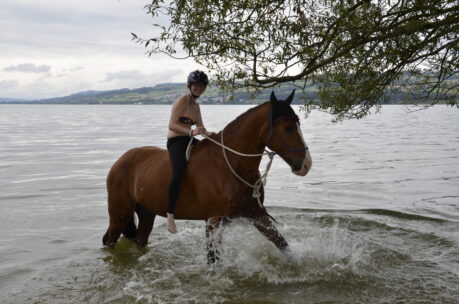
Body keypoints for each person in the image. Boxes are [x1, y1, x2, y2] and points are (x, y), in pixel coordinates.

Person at [166, 70, 209, 234]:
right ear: (189, 86)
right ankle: (170, 213)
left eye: (202, 86)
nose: (199, 88)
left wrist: (211, 135)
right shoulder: (181, 101)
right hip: (176, 141)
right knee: (177, 173)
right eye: (196, 85)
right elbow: (172, 125)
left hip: (190, 140)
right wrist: (190, 132)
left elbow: (201, 127)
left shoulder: (196, 106)